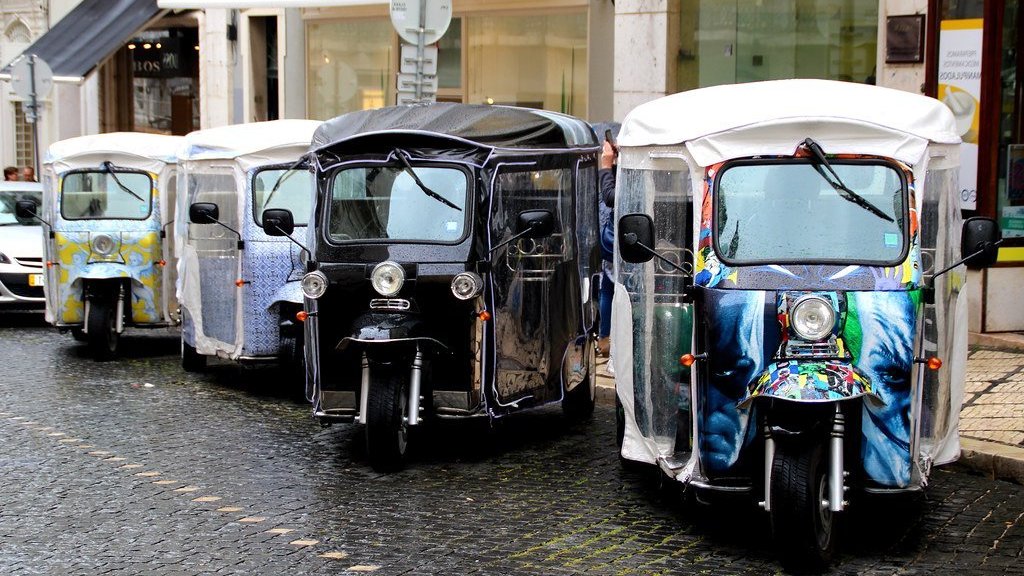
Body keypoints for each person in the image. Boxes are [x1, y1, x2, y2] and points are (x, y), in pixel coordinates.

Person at [597, 136, 617, 375]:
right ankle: (605, 337)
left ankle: (606, 338)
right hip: (618, 241)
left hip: (621, 242)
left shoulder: (623, 170)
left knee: (609, 286)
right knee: (607, 286)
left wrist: (606, 166)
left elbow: (610, 196)